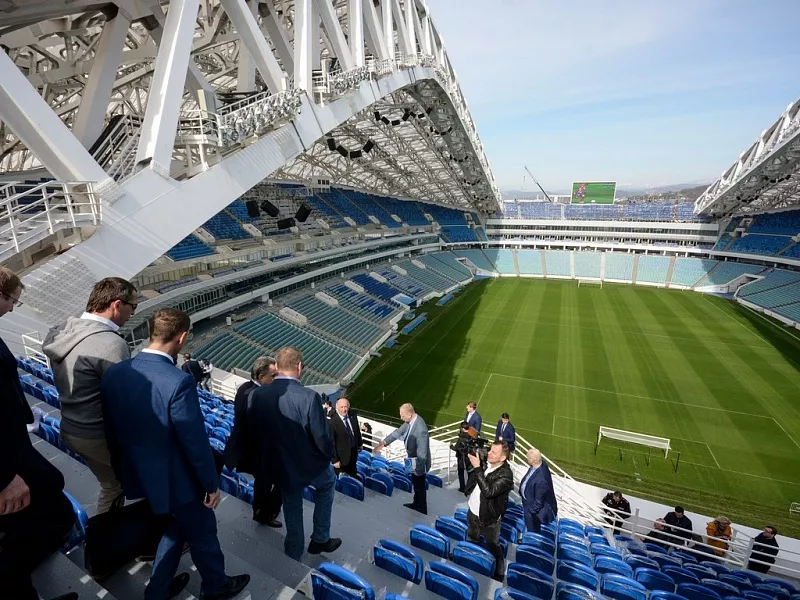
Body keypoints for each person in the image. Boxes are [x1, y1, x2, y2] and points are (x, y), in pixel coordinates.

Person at [101, 308, 249, 600]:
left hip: (137, 474)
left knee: (174, 527)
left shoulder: (116, 372)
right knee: (202, 532)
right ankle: (216, 585)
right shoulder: (177, 380)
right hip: (176, 479)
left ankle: (158, 590)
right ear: (181, 338)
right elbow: (193, 440)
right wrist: (210, 484)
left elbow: (110, 429)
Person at [0, 268, 78, 600]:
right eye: (12, 300)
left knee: (49, 506)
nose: (12, 309)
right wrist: (5, 479)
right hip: (7, 462)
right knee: (39, 520)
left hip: (14, 448)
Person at [43, 276, 138, 514]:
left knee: (110, 483)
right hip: (96, 435)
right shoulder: (110, 344)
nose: (133, 313)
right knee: (115, 485)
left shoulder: (62, 330)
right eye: (133, 306)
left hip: (70, 425)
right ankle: (106, 535)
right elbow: (125, 400)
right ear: (117, 304)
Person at [249, 347, 341, 561]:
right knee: (328, 482)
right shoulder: (309, 397)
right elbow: (322, 437)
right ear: (299, 366)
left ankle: (293, 552)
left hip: (277, 464)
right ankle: (320, 538)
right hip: (306, 464)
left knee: (292, 503)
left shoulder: (258, 394)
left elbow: (254, 431)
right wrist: (330, 457)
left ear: (277, 367)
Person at [223, 356, 281, 527]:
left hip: (250, 448)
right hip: (257, 450)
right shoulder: (258, 395)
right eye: (273, 376)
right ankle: (264, 514)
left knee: (265, 482)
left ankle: (262, 511)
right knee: (272, 481)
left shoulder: (244, 388)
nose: (276, 379)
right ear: (261, 377)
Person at [464, 441, 514, 582]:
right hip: (473, 511)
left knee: (493, 546)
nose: (489, 453)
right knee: (471, 538)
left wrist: (477, 467)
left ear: (503, 458)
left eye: (493, 452)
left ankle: (499, 572)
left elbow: (488, 492)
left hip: (489, 518)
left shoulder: (506, 475)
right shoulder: (488, 463)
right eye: (490, 450)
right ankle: (470, 559)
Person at [374, 403, 431, 515]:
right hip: (413, 460)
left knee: (419, 484)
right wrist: (384, 442)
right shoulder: (410, 421)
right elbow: (398, 432)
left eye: (402, 415)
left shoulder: (421, 429)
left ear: (409, 415)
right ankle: (416, 503)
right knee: (416, 484)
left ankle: (422, 508)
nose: (401, 418)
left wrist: (418, 470)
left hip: (419, 463)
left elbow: (422, 453)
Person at [519, 447, 557, 533]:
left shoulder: (541, 479)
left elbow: (538, 502)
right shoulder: (537, 465)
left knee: (532, 531)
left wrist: (530, 512)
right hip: (528, 504)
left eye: (528, 458)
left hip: (533, 513)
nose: (527, 459)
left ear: (533, 460)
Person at [329, 398, 362, 478]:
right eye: (341, 407)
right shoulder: (332, 422)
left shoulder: (353, 415)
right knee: (343, 480)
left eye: (345, 407)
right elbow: (331, 443)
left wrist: (359, 444)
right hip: (341, 459)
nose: (344, 409)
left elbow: (357, 431)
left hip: (353, 455)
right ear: (337, 408)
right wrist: (335, 460)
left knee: (353, 476)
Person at [452, 421, 478, 493]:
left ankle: (462, 488)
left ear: (463, 428)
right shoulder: (472, 436)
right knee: (469, 472)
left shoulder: (461, 438)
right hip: (469, 457)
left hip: (461, 457)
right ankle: (469, 488)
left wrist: (451, 446)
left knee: (461, 473)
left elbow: (456, 448)